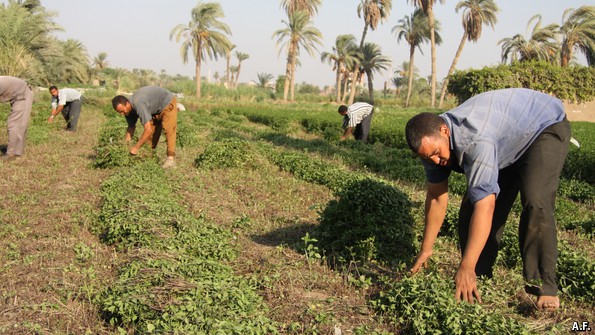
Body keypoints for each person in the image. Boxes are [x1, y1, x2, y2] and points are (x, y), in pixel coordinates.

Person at [405, 88, 570, 312]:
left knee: (535, 201)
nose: (435, 160)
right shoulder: (427, 144)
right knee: (470, 208)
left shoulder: (474, 139)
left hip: (542, 127)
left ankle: (544, 287)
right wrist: (426, 248)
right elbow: (436, 197)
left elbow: (486, 205)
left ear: (445, 131)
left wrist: (466, 264)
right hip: (506, 140)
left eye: (436, 153)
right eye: (427, 157)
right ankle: (479, 277)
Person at [111, 86, 178, 168]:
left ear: (127, 104)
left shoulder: (138, 104)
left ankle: (170, 160)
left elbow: (148, 129)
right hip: (154, 109)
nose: (121, 114)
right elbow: (131, 128)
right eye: (119, 112)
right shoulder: (127, 111)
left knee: (169, 130)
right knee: (151, 136)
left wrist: (136, 147)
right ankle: (149, 158)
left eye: (122, 111)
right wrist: (126, 146)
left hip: (167, 102)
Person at [0, 76, 33, 159]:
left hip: (22, 94)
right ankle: (16, 150)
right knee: (16, 124)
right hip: (15, 94)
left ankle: (12, 153)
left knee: (15, 124)